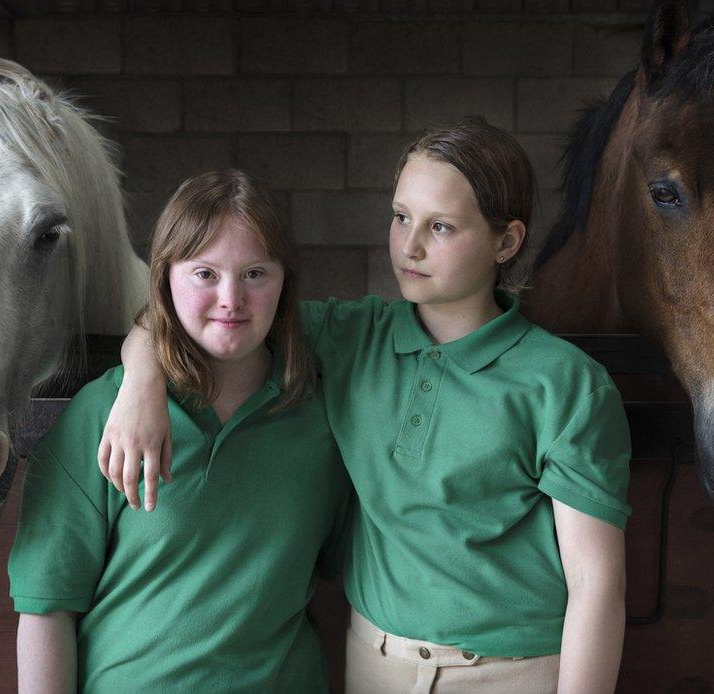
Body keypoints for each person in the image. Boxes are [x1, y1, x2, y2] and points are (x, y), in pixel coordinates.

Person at [102, 117, 631, 694]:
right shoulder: (351, 337)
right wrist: (140, 386)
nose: (410, 245)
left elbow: (598, 583)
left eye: (442, 227)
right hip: (374, 664)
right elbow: (193, 311)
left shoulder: (567, 384)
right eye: (401, 216)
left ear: (506, 242)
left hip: (513, 673)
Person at [8, 170, 352, 693]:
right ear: (166, 278)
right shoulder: (104, 412)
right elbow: (46, 609)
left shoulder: (324, 415)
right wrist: (144, 375)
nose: (231, 299)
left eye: (256, 273)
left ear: (285, 281)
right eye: (205, 274)